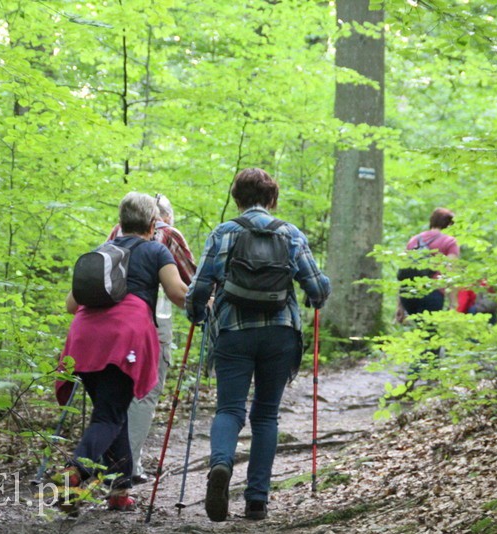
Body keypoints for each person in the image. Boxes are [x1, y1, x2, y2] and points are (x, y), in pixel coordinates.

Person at [185, 168, 331, 522]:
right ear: (271, 198)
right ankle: (256, 501)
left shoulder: (224, 233)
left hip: (233, 332)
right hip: (280, 334)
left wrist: (196, 314)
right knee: (266, 414)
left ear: (237, 198)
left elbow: (200, 288)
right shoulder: (290, 233)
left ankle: (220, 465)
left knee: (229, 410)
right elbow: (317, 288)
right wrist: (318, 289)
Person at [57, 193, 188, 511]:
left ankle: (119, 491)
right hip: (123, 339)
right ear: (152, 223)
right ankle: (76, 472)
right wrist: (207, 302)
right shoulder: (156, 250)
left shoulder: (102, 251)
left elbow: (71, 304)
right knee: (110, 414)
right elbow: (177, 292)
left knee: (111, 412)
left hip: (83, 340)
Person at [108, 194, 196, 484]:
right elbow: (190, 281)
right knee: (145, 391)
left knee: (116, 391)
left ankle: (110, 463)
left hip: (109, 323)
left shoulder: (114, 233)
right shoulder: (168, 235)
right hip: (152, 323)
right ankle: (128, 467)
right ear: (161, 217)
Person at [395, 207, 460, 324]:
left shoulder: (414, 240)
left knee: (420, 331)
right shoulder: (449, 241)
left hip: (408, 293)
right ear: (449, 224)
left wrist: (400, 305)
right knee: (429, 333)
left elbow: (405, 271)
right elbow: (450, 272)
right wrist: (453, 303)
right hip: (432, 293)